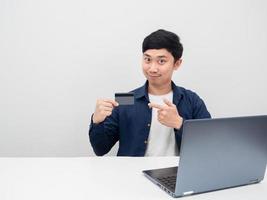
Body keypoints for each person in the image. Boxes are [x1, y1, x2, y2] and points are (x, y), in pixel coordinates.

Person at [89, 29, 211, 156]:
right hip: (131, 173)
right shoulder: (126, 98)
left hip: (178, 174)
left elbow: (209, 144)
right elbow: (100, 149)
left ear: (177, 64)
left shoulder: (191, 100)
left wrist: (179, 123)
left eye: (161, 61)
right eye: (147, 60)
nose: (152, 68)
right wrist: (96, 121)